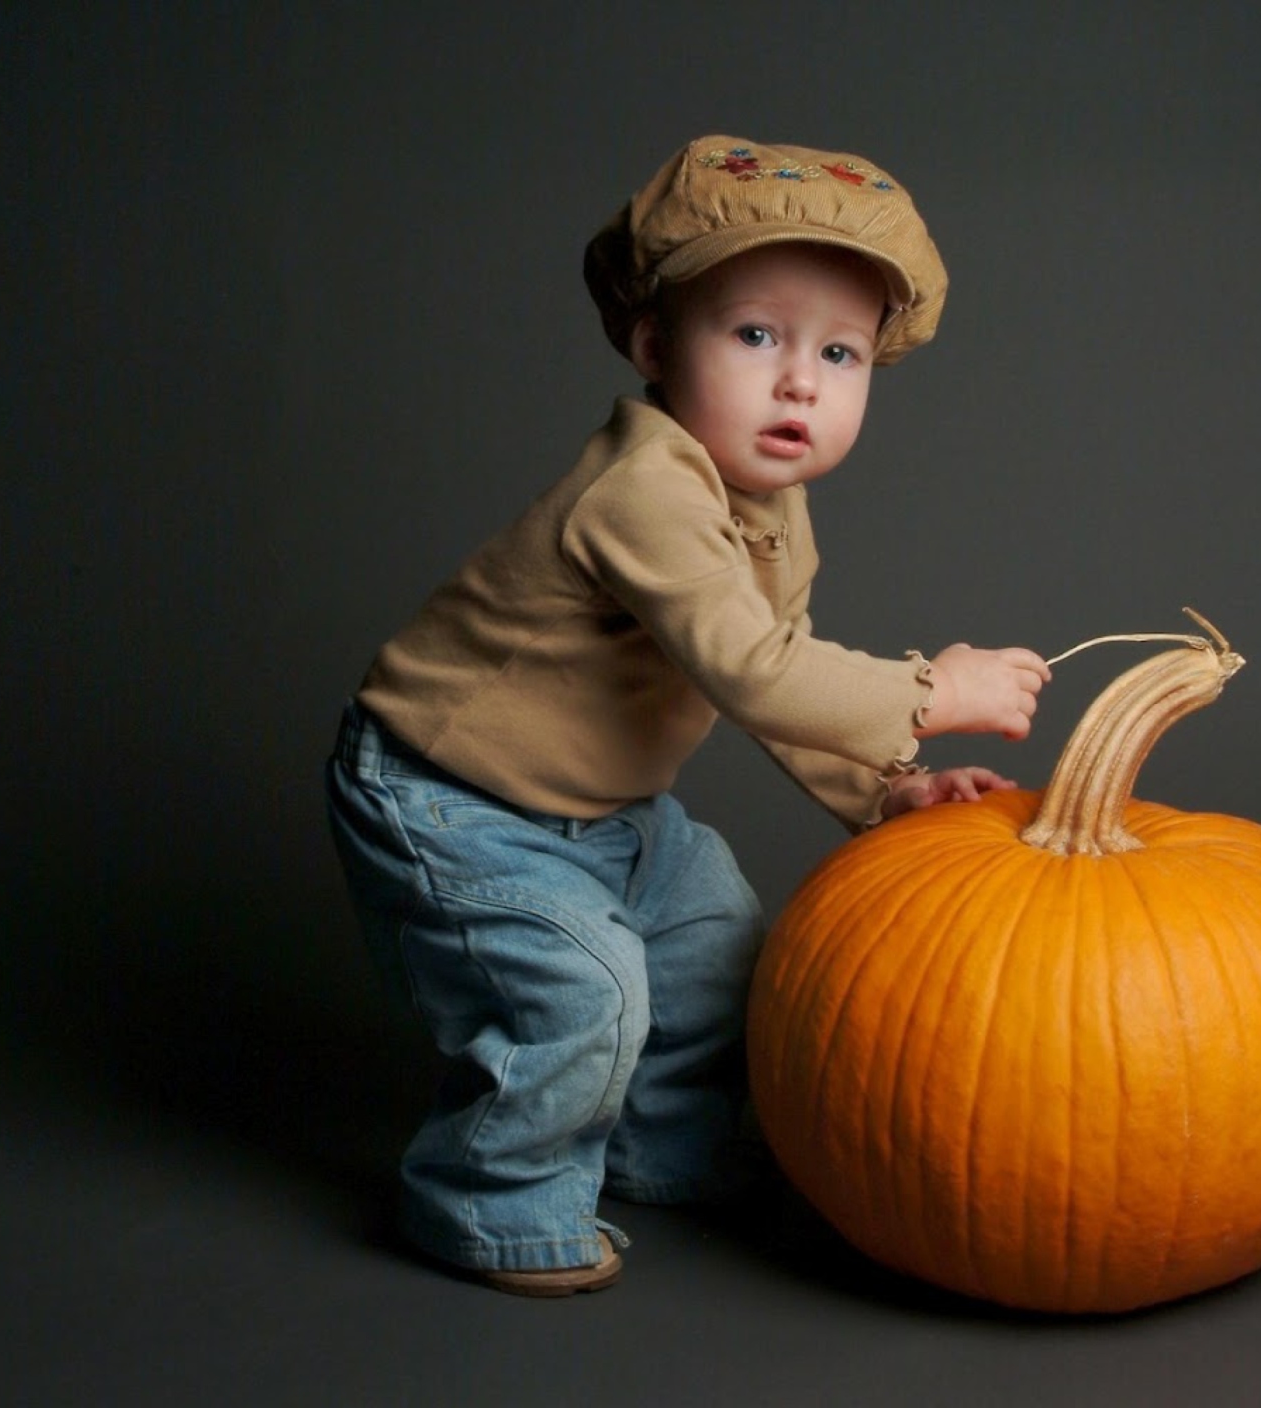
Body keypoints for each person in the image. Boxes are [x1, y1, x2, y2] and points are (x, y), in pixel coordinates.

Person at [325, 136, 1050, 1297]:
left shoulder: (773, 506)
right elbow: (756, 669)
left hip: (603, 809)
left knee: (715, 942)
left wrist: (889, 784)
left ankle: (664, 1147)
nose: (800, 380)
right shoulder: (645, 486)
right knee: (585, 987)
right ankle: (487, 1198)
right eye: (756, 335)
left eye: (840, 351)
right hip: (449, 797)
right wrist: (933, 689)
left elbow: (784, 677)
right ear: (658, 346)